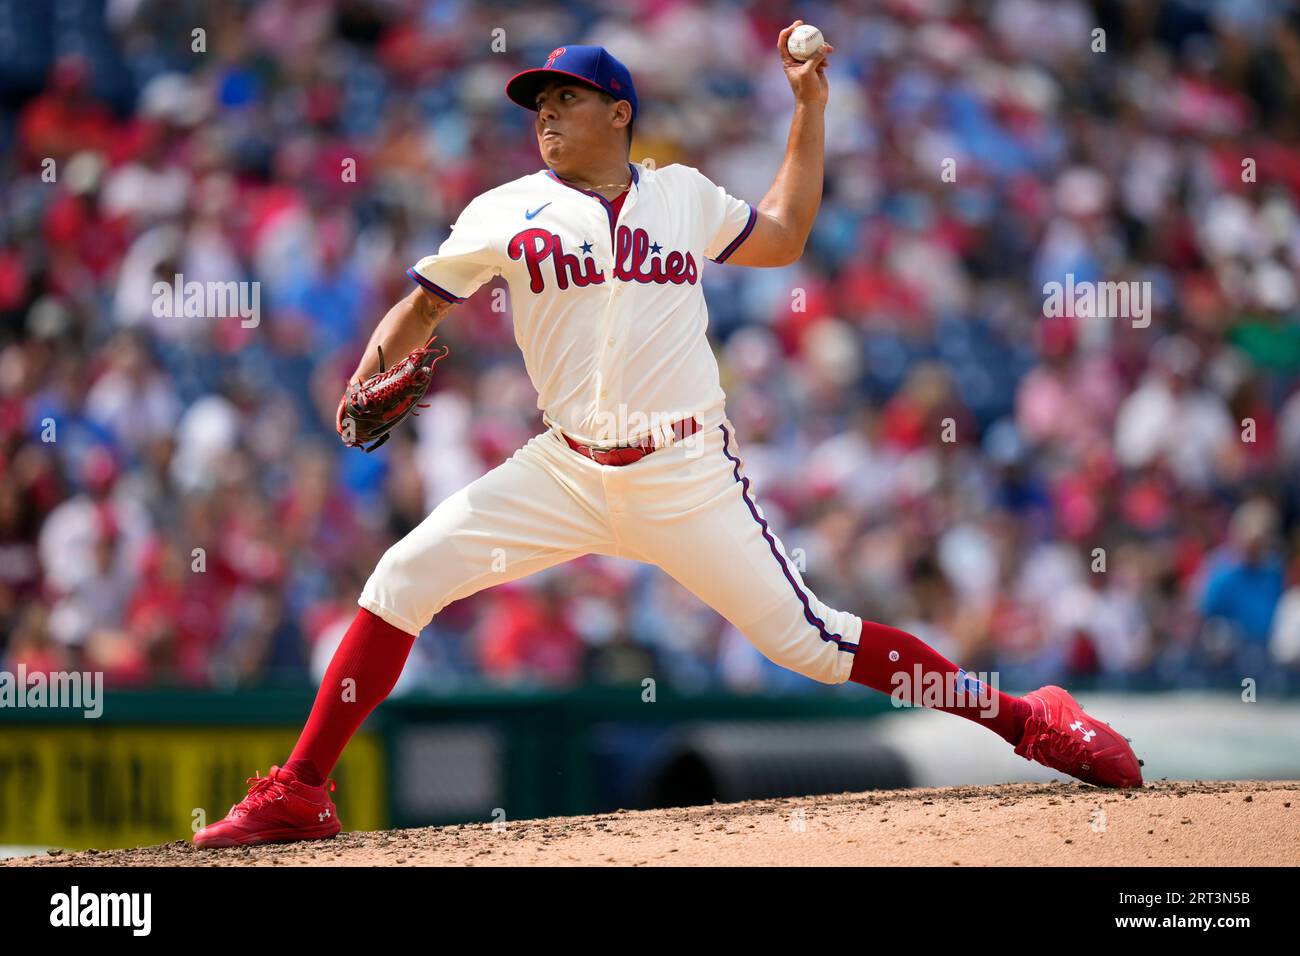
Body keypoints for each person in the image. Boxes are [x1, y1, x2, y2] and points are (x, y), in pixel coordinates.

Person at [194, 23, 1142, 849]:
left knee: (813, 644)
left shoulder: (681, 195)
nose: (546, 117)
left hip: (685, 471)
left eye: (566, 99)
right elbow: (419, 307)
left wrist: (808, 111)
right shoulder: (504, 209)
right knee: (402, 578)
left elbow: (781, 237)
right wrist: (365, 373)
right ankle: (302, 793)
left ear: (619, 112)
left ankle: (1027, 722)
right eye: (538, 105)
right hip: (562, 468)